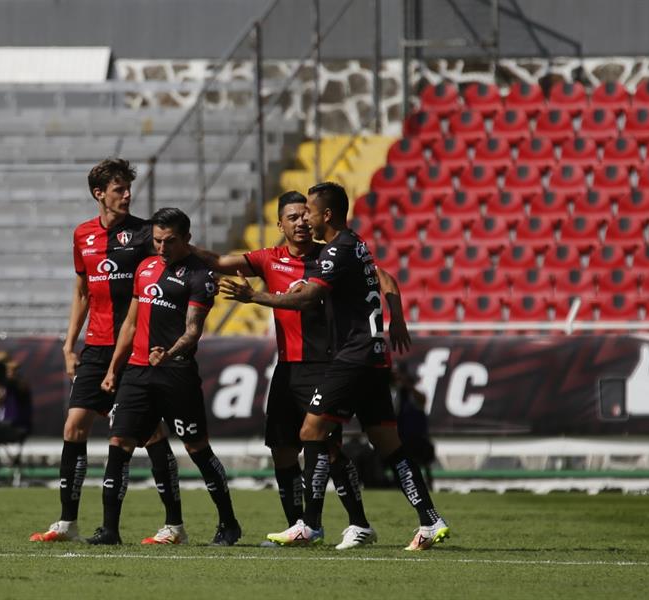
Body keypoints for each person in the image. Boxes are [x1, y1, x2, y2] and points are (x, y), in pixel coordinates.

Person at [221, 181, 450, 551]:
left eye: (309, 211)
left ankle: (310, 525)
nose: (305, 218)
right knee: (388, 444)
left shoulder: (337, 251)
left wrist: (255, 296)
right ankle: (429, 519)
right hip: (375, 358)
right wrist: (399, 319)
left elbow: (308, 298)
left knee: (312, 433)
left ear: (326, 214)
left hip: (351, 358)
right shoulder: (357, 244)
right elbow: (383, 277)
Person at [194, 191, 375, 550]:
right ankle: (297, 526)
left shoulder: (331, 255)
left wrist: (394, 313)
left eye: (304, 216)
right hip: (287, 367)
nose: (301, 222)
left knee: (328, 448)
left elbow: (378, 277)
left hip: (325, 364)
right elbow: (219, 260)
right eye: (292, 217)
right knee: (282, 449)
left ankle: (356, 521)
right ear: (280, 225)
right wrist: (183, 247)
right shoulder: (268, 260)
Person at [30, 159, 184, 545]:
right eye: (119, 189)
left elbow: (177, 270)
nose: (127, 194)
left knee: (148, 434)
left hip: (134, 348)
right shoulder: (82, 235)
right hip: (96, 347)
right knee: (74, 426)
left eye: (128, 188)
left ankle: (174, 524)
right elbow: (82, 292)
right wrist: (69, 345)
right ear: (99, 193)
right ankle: (67, 522)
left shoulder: (149, 234)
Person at [88, 207, 241, 546]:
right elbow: (129, 323)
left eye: (169, 241)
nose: (161, 247)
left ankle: (229, 523)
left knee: (197, 448)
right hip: (137, 373)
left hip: (176, 373)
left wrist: (168, 353)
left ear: (187, 238)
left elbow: (193, 331)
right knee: (119, 445)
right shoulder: (144, 268)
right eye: (157, 240)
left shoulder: (200, 277)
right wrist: (114, 368)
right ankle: (110, 530)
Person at [393, 363, 436, 488]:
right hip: (402, 435)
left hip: (418, 435)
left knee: (424, 462)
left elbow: (422, 400)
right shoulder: (396, 393)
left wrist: (409, 386)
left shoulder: (417, 389)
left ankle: (428, 484)